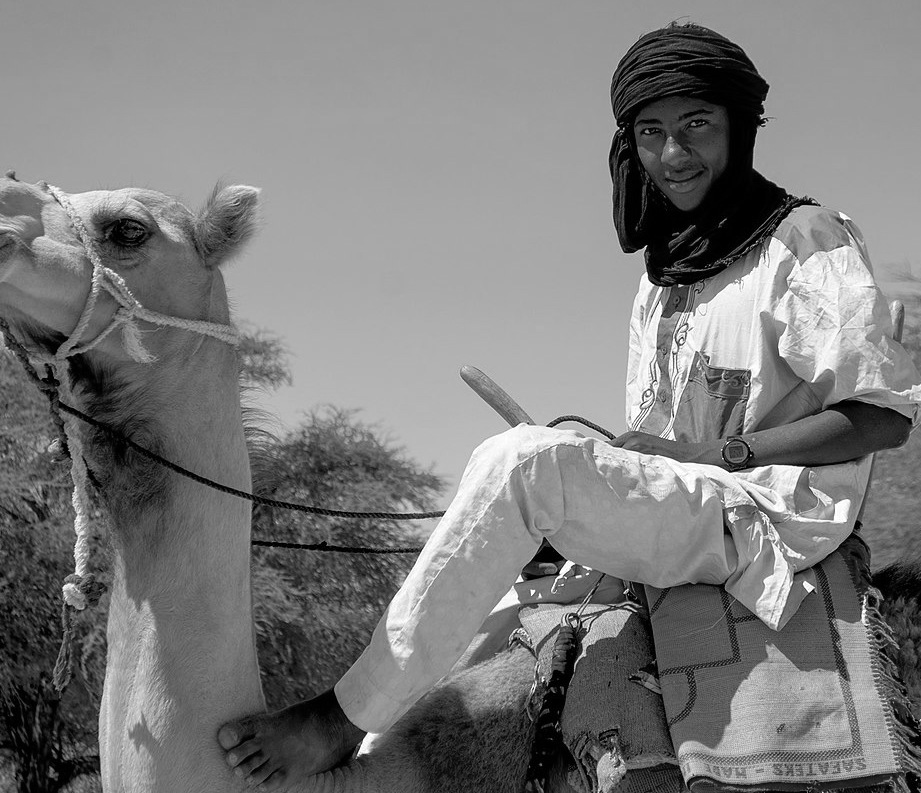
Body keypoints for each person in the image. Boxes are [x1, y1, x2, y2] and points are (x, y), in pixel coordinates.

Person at [218, 22, 921, 791]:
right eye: (651, 132)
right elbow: (656, 441)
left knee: (522, 461)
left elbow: (882, 416)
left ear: (739, 128)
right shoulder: (661, 277)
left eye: (696, 126)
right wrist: (602, 499)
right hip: (691, 506)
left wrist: (714, 454)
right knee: (501, 605)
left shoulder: (803, 237)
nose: (674, 155)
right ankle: (369, 742)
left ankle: (334, 718)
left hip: (768, 511)